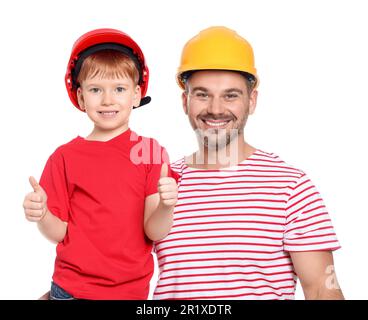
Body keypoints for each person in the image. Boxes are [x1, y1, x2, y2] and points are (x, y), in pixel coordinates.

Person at [153, 26, 344, 300]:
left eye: (231, 95)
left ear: (251, 101)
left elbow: (321, 291)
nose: (216, 109)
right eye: (203, 94)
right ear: (185, 101)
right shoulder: (161, 183)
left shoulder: (291, 187)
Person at [22, 28, 178, 300]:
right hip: (71, 290)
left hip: (129, 293)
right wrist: (43, 214)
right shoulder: (64, 157)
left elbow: (153, 230)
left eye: (119, 89)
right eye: (96, 90)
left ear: (136, 94)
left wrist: (167, 205)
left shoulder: (151, 152)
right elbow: (59, 232)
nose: (108, 100)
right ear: (81, 97)